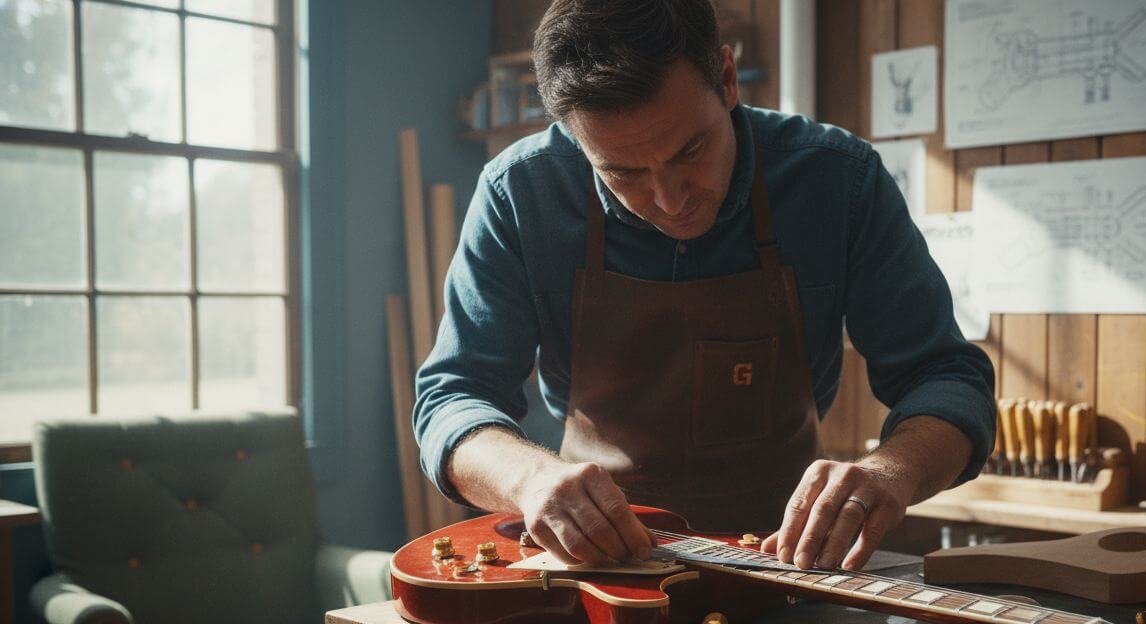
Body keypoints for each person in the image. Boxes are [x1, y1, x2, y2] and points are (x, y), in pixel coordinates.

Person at [414, 0, 995, 575]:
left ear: (725, 77)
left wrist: (889, 473)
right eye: (623, 173)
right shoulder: (520, 194)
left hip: (787, 559)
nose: (670, 200)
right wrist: (528, 479)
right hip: (596, 569)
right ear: (572, 134)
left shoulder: (838, 182)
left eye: (690, 150)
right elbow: (453, 398)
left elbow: (946, 378)